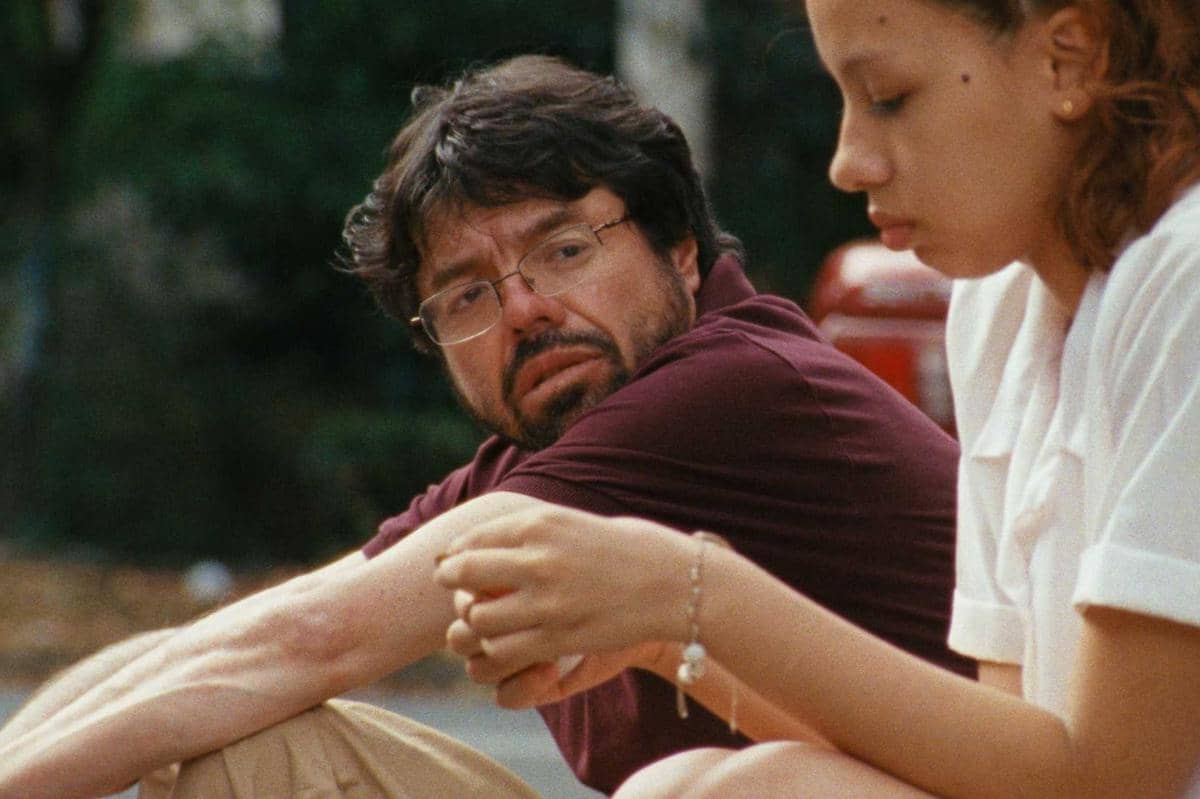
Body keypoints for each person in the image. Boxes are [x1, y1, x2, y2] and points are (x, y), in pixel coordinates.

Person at [0, 55, 970, 798]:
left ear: (680, 252)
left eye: (565, 248)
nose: (525, 309)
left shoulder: (730, 387)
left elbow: (309, 642)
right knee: (249, 744)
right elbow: (231, 640)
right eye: (468, 294)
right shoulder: (538, 463)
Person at [436, 2, 1200, 797]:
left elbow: (1110, 780)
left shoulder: (1186, 284)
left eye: (889, 97)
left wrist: (694, 590)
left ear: (1068, 60)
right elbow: (1005, 760)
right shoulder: (1002, 308)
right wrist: (666, 633)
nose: (848, 162)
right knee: (683, 784)